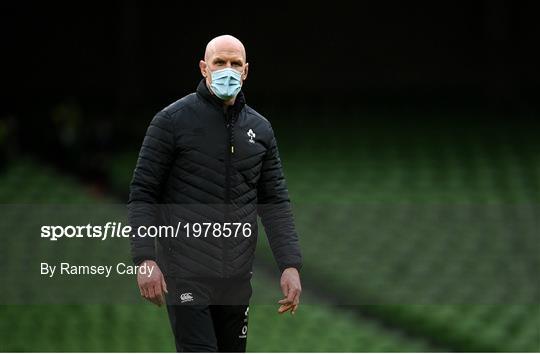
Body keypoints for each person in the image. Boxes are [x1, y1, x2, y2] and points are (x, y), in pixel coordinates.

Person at [128, 34, 302, 352]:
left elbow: (275, 202)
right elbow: (143, 192)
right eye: (219, 62)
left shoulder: (260, 130)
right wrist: (145, 259)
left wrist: (289, 265)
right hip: (186, 274)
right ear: (203, 68)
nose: (228, 70)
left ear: (246, 71)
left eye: (236, 64)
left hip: (236, 278)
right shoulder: (170, 122)